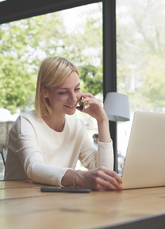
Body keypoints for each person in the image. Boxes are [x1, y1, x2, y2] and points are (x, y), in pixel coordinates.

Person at [4, 56, 122, 191]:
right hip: (23, 202)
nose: (73, 98)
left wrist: (102, 120)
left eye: (77, 89)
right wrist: (78, 176)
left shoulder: (76, 125)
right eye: (63, 92)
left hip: (58, 202)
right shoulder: (26, 123)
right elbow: (34, 168)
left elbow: (104, 173)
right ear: (44, 92)